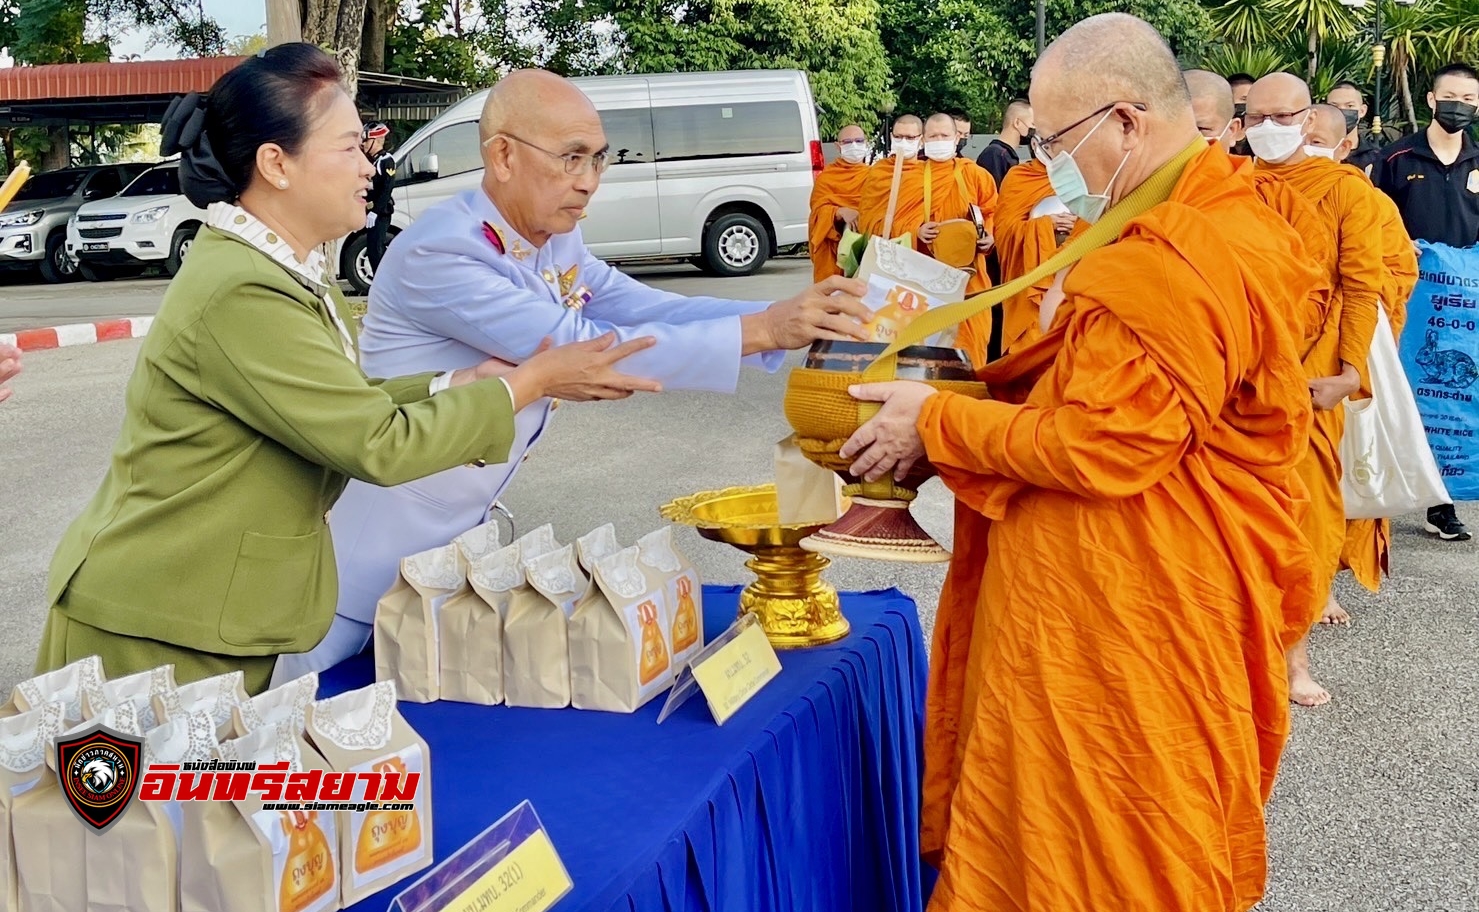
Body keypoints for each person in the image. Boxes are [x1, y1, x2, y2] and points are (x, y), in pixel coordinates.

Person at [841, 14, 1320, 911]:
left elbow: (1108, 440)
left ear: (1127, 122)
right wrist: (948, 414)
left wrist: (939, 425)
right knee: (1042, 832)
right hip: (1086, 593)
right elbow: (1089, 401)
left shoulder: (1186, 248)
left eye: (1059, 142)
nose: (1055, 165)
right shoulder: (1181, 220)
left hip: (1136, 607)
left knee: (1115, 835)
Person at [31, 46, 661, 695]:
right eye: (350, 149)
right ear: (276, 163)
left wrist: (455, 384)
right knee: (144, 800)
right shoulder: (242, 291)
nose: (371, 167)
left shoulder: (286, 270)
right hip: (153, 629)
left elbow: (341, 402)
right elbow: (376, 444)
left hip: (204, 614)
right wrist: (529, 382)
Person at [269, 69, 872, 684]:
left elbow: (636, 306)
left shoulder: (550, 238)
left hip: (445, 551)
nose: (588, 183)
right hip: (365, 562)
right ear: (502, 154)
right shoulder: (442, 251)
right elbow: (584, 348)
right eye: (571, 159)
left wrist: (775, 316)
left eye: (599, 160)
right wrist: (769, 330)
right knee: (308, 738)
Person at [1247, 73, 1382, 707]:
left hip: (1309, 376)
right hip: (1238, 372)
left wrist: (1351, 371)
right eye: (1257, 117)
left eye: (1283, 116)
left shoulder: (1343, 192)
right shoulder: (1229, 186)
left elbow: (1361, 284)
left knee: (1304, 520)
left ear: (1308, 121)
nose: (1268, 128)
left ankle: (1293, 658)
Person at [1308, 104, 1420, 615]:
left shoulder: (1370, 202)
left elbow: (1397, 273)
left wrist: (1356, 300)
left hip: (1346, 345)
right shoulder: (1257, 192)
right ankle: (1305, 578)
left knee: (1340, 468)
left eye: (1317, 138)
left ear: (1345, 145)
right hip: (1292, 344)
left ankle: (1324, 573)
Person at [1374, 62, 1479, 543]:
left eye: (1471, 101)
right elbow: (1373, 219)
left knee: (1449, 399)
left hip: (1463, 305)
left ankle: (1443, 501)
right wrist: (1399, 245)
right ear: (1433, 100)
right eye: (1452, 97)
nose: (1461, 107)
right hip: (1404, 295)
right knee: (1397, 389)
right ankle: (1378, 493)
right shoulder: (1397, 158)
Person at [858, 113, 998, 295]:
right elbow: (885, 225)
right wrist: (916, 231)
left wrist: (989, 236)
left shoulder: (976, 175)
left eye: (945, 136)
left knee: (971, 321)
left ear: (956, 138)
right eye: (933, 136)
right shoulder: (909, 178)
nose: (939, 140)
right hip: (923, 273)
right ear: (923, 140)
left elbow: (993, 213)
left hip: (968, 272)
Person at [808, 124, 871, 281]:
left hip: (866, 246)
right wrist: (839, 212)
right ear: (838, 146)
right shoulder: (826, 178)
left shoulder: (875, 176)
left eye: (858, 140)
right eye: (847, 142)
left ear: (866, 143)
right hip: (833, 250)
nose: (854, 146)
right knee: (832, 298)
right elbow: (816, 214)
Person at [1326, 81, 1382, 176]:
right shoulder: (1315, 153)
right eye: (1334, 106)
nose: (1342, 110)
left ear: (1362, 111)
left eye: (1350, 106)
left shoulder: (1376, 158)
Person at [362, 120, 396, 273]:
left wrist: (375, 211)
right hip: (372, 211)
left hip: (381, 212)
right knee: (372, 250)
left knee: (377, 250)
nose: (364, 144)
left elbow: (387, 188)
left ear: (375, 140)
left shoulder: (386, 161)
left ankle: (383, 284)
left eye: (367, 140)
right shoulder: (373, 161)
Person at [975, 99, 1032, 188]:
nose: (1034, 129)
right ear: (1017, 123)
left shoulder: (1006, 155)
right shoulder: (995, 154)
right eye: (1032, 124)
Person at [1228, 72, 1255, 156]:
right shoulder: (1219, 135)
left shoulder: (1259, 135)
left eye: (1253, 99)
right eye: (1244, 99)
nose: (1251, 104)